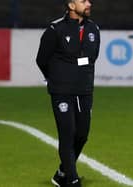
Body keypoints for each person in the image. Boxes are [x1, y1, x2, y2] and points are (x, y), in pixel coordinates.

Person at [36, 0, 100, 186]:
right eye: (83, 1)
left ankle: (62, 172)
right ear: (71, 6)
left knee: (82, 135)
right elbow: (41, 59)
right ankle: (72, 180)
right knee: (67, 133)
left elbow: (92, 57)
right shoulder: (55, 29)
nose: (88, 4)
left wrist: (73, 67)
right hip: (61, 91)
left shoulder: (93, 29)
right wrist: (57, 77)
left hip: (84, 90)